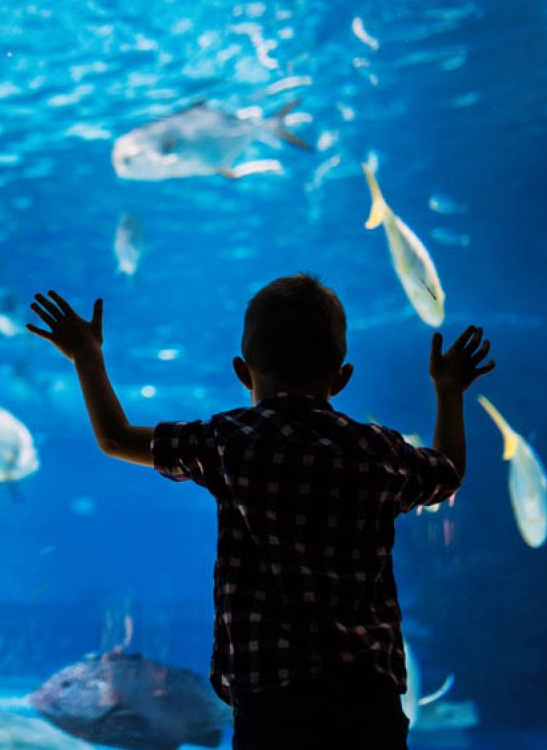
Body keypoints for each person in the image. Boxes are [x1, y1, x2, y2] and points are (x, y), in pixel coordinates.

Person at [27, 275, 494, 750]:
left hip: (270, 692)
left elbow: (116, 437)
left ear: (243, 372)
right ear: (341, 377)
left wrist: (86, 355)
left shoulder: (230, 441)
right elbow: (448, 472)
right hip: (365, 691)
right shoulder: (377, 450)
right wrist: (449, 389)